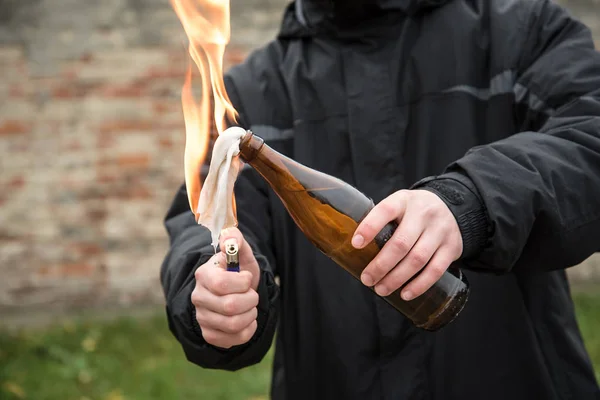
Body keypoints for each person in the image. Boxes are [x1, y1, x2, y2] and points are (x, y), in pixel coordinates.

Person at [160, 0, 600, 398]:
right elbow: (205, 227)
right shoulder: (251, 96)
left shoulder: (519, 31)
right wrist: (216, 293)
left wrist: (472, 199)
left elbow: (589, 138)